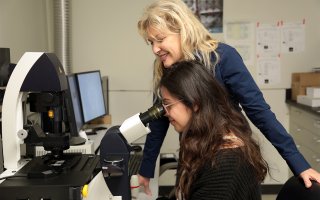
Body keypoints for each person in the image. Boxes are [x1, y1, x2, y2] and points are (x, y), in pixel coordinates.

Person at [137, 0, 320, 195]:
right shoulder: (167, 68)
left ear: (182, 30)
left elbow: (259, 111)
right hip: (194, 151)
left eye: (160, 39)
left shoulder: (222, 57)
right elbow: (158, 122)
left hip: (228, 157)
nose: (155, 49)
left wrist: (298, 163)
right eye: (151, 42)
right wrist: (146, 170)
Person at [158, 60, 268, 200]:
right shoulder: (203, 141)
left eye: (168, 105)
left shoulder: (225, 162)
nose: (165, 112)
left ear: (194, 103)